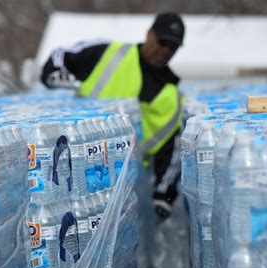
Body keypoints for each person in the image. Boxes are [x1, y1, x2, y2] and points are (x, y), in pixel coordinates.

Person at [41, 12, 185, 220]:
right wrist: (53, 73)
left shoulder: (169, 93)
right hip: (74, 159)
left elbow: (171, 148)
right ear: (149, 34)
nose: (166, 50)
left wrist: (163, 194)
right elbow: (62, 55)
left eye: (173, 47)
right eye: (163, 42)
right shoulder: (112, 53)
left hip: (125, 184)